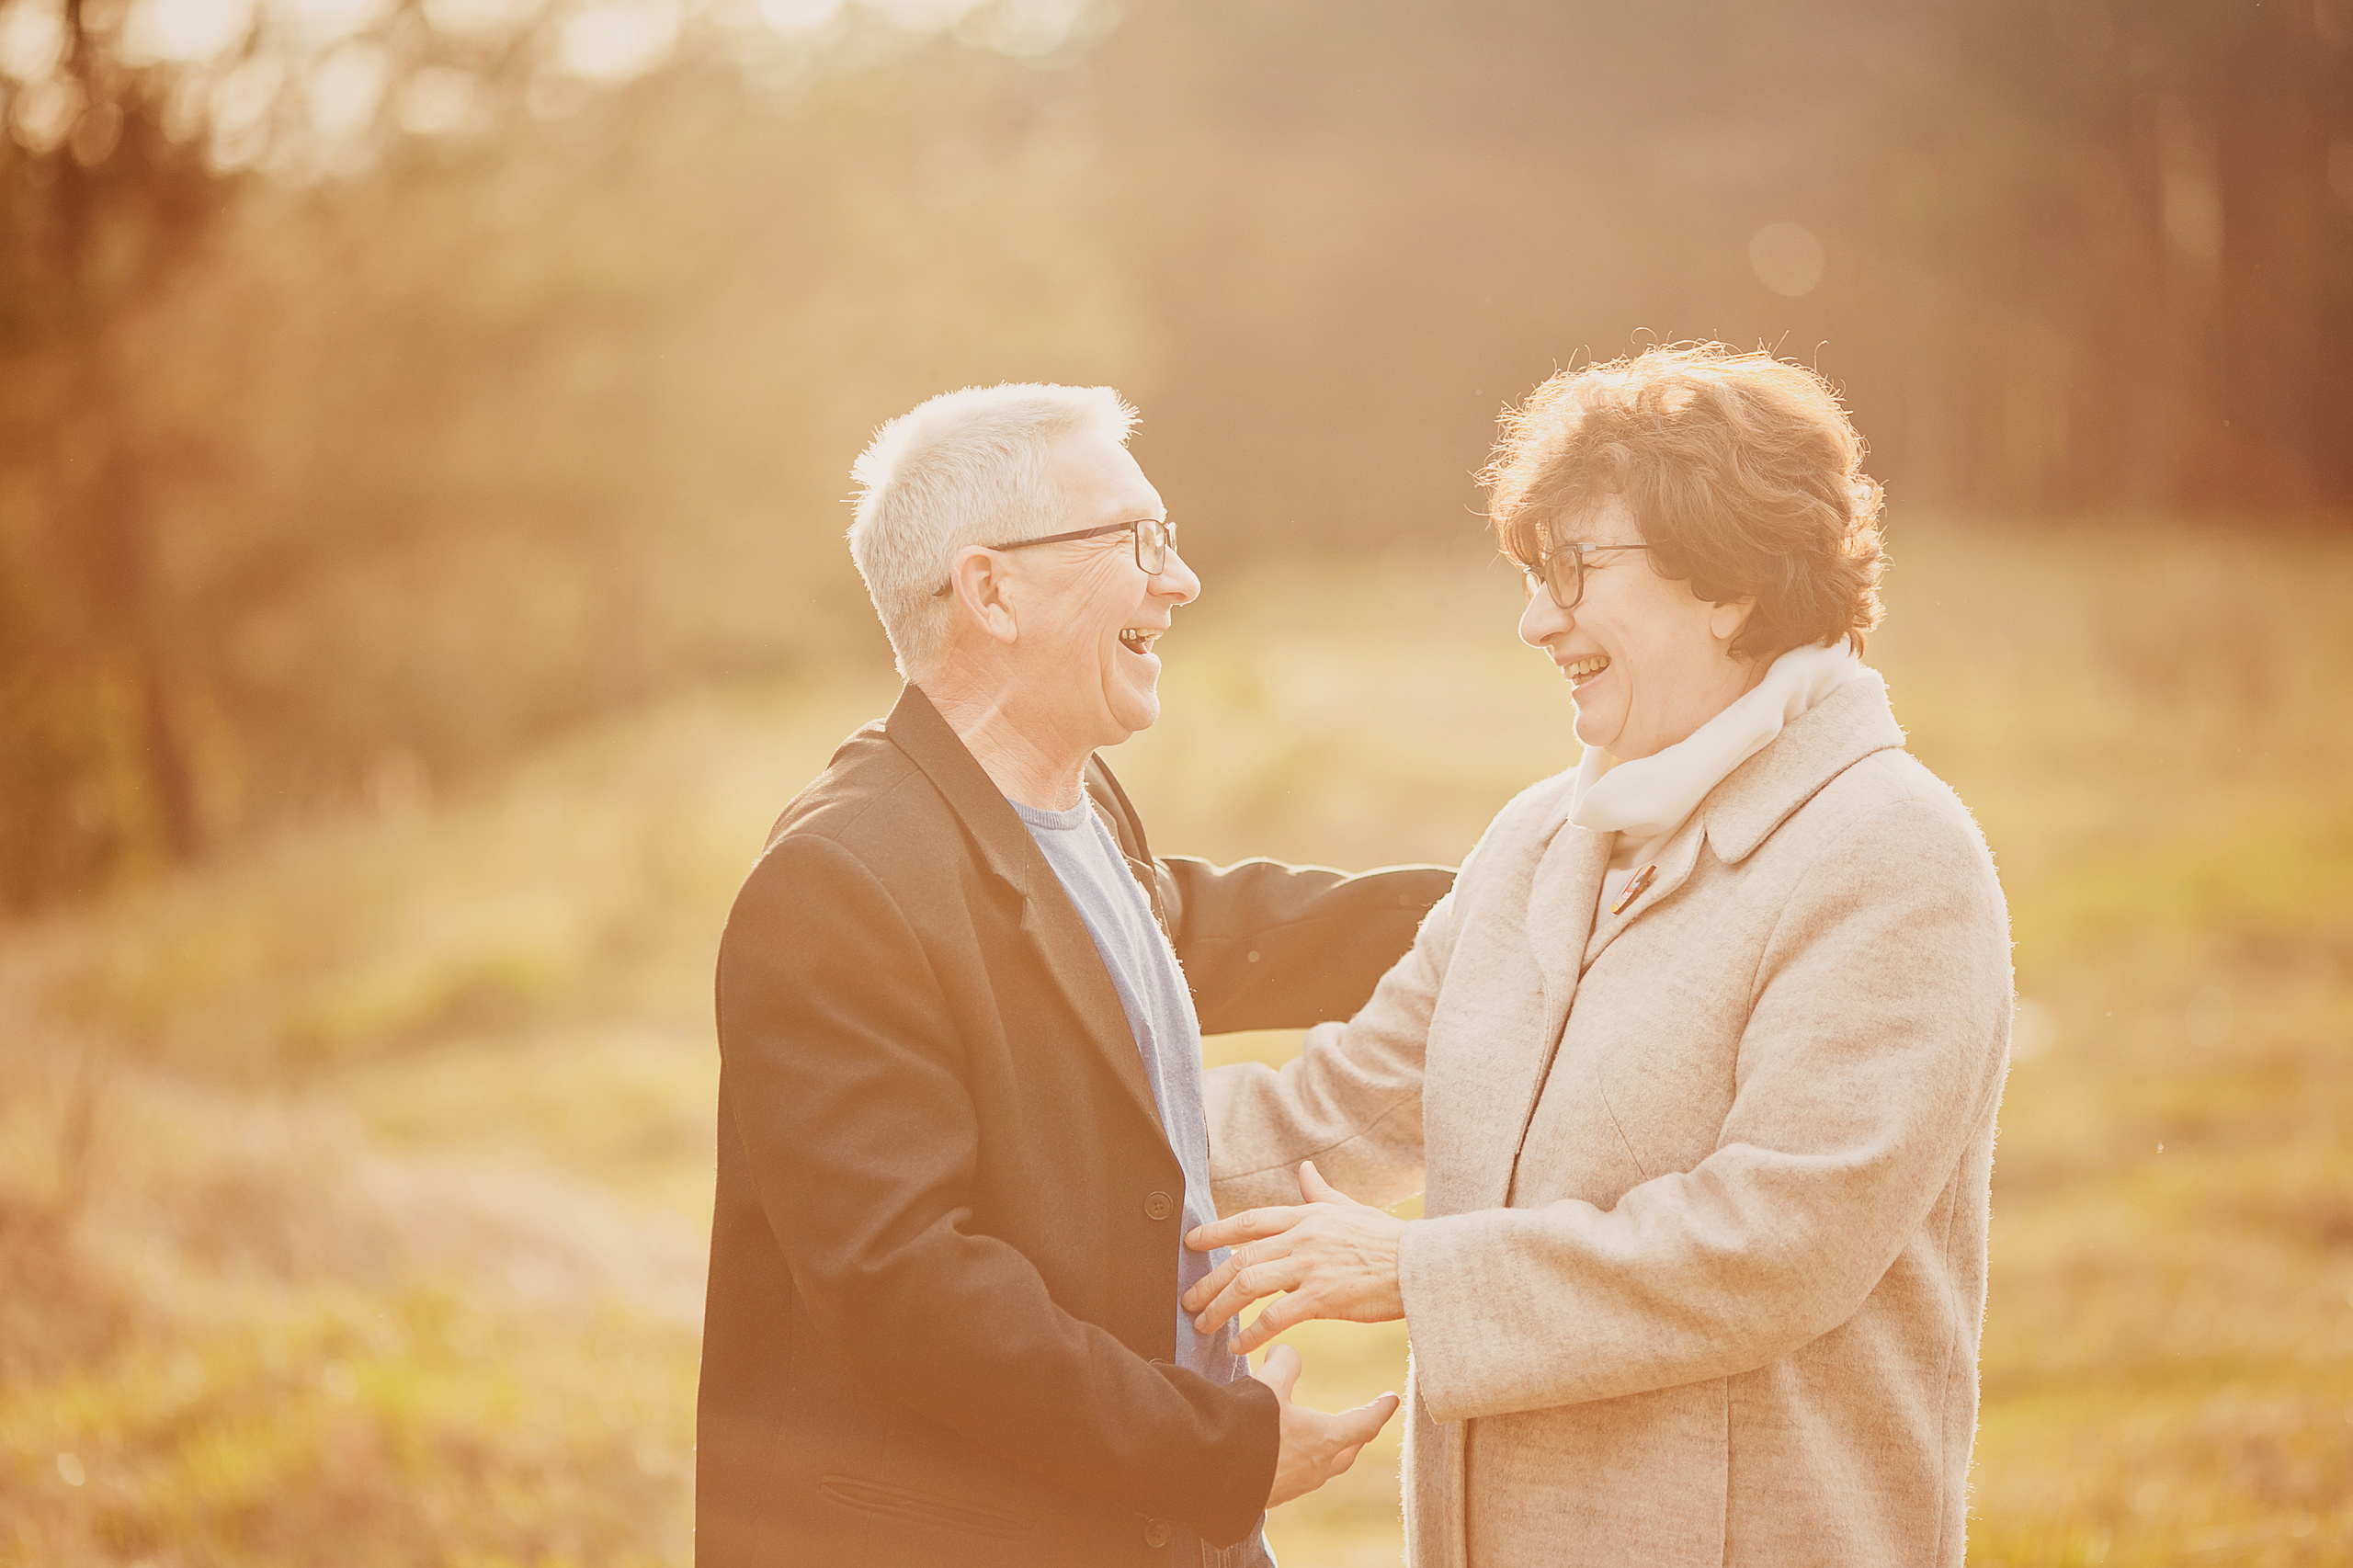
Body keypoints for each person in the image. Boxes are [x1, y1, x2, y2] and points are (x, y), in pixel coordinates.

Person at [1184, 345, 2014, 1568]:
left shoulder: (1891, 853)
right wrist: (1020, 1145)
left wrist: (1418, 1270)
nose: (1535, 619)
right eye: (1529, 574)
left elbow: (1779, 1242)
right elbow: (1336, 1107)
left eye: (1574, 569)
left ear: (1728, 583)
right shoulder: (1539, 841)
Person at [695, 382, 1452, 1568]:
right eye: (1138, 539)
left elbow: (1186, 926)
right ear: (990, 589)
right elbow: (909, 1292)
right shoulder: (839, 883)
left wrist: (1499, 904)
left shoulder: (1067, 801)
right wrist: (1218, 1451)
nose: (1181, 577)